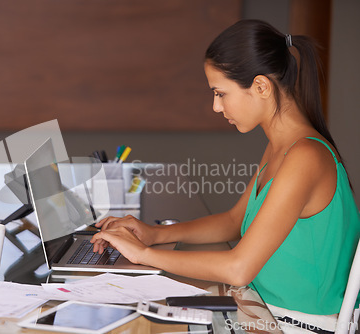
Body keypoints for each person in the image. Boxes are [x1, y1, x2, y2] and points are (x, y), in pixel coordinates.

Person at [90, 19, 360, 333]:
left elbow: (239, 268)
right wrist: (154, 234)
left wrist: (145, 255)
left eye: (221, 93)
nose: (217, 106)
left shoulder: (305, 157)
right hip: (262, 306)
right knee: (145, 308)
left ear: (261, 87)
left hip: (296, 323)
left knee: (146, 319)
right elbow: (235, 220)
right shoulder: (283, 147)